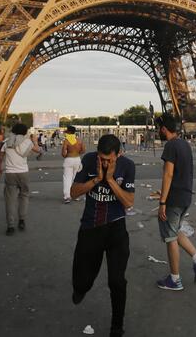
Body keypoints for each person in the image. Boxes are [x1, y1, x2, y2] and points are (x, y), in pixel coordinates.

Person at [70, 134, 134, 337]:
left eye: (109, 160)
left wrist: (110, 180)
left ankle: (117, 326)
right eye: (102, 158)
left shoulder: (128, 166)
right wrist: (97, 179)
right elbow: (73, 193)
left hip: (116, 230)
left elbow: (129, 202)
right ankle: (81, 287)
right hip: (91, 228)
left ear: (119, 154)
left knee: (117, 281)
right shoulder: (88, 160)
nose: (104, 162)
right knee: (82, 280)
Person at [155, 114, 196, 290]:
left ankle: (175, 279)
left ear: (164, 129)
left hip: (174, 198)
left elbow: (168, 174)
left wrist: (163, 201)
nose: (158, 132)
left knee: (170, 237)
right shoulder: (184, 144)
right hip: (185, 195)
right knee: (175, 230)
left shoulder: (171, 146)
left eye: (159, 129)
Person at [0, 124, 41, 235]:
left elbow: (0, 157)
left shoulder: (7, 142)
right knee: (24, 196)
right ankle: (21, 220)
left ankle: (10, 226)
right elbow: (38, 150)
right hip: (23, 173)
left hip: (10, 173)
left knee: (10, 200)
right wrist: (35, 140)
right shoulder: (27, 142)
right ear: (25, 132)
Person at [62, 126, 85, 204]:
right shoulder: (79, 140)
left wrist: (67, 155)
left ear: (68, 132)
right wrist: (77, 153)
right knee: (76, 178)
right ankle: (76, 195)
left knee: (67, 178)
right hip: (77, 159)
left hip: (69, 159)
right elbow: (83, 150)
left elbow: (63, 153)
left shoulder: (66, 141)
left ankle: (67, 196)